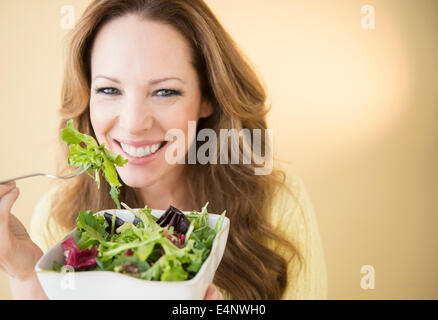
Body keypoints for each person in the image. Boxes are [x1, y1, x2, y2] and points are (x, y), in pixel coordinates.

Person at [0, 0, 327, 300]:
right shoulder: (57, 222)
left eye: (165, 91)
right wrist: (28, 277)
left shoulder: (277, 206)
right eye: (109, 89)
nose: (133, 124)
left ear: (207, 98)